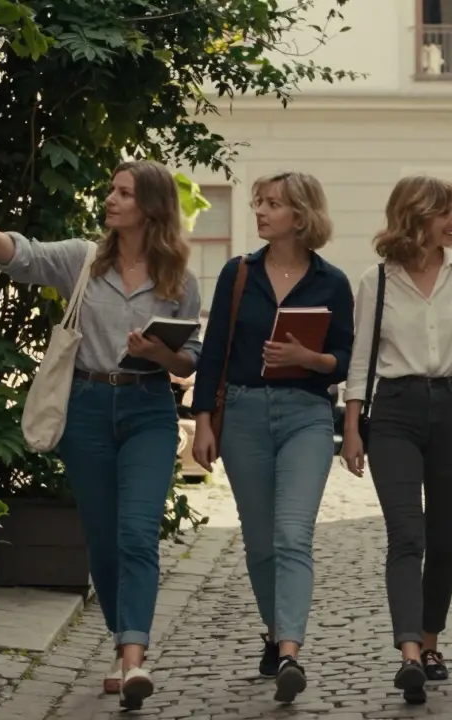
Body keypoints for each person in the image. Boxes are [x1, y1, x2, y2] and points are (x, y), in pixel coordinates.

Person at [0, 160, 202, 711]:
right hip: (87, 408)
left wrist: (158, 353)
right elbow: (22, 255)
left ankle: (133, 659)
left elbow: (189, 362)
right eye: (111, 190)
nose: (111, 199)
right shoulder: (82, 260)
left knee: (138, 535)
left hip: (148, 409)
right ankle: (123, 644)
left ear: (150, 207)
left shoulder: (179, 280)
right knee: (102, 540)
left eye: (124, 193)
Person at [189, 171, 353, 704]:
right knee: (260, 542)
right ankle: (272, 629)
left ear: (300, 214)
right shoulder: (239, 274)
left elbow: (347, 359)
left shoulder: (333, 282)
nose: (259, 211)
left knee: (291, 533)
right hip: (242, 414)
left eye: (272, 204)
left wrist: (310, 359)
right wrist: (204, 423)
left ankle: (289, 651)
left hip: (307, 414)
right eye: (259, 202)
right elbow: (214, 351)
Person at [340, 175, 452, 705]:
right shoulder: (377, 281)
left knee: (445, 539)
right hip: (393, 413)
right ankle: (410, 652)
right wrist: (351, 429)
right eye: (447, 211)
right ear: (418, 216)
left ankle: (431, 642)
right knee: (406, 535)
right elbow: (360, 360)